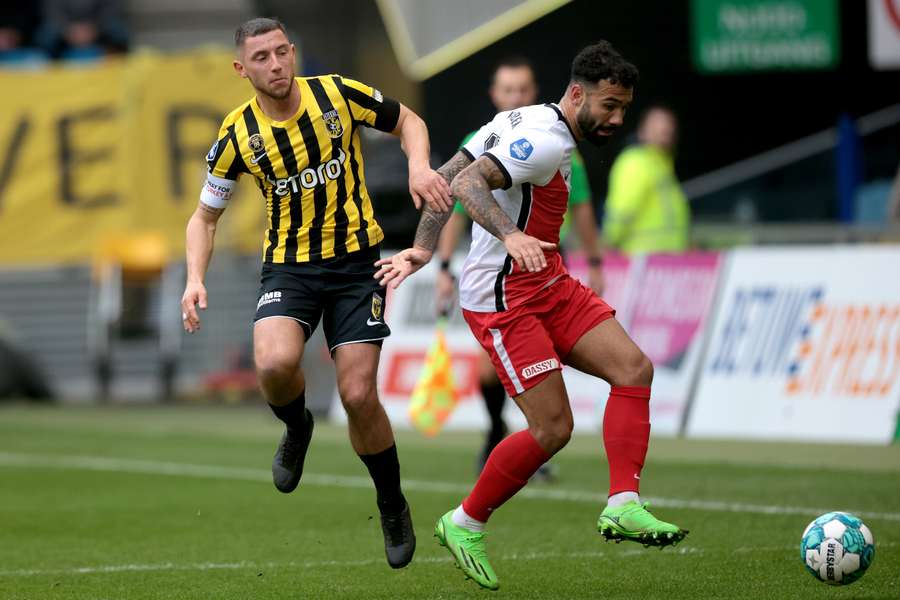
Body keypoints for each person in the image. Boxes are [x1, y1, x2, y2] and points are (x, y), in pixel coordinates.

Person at [375, 41, 687, 590]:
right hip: (504, 298)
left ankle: (623, 502)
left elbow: (448, 171)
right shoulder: (543, 142)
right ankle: (465, 522)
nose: (616, 119)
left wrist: (424, 248)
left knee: (634, 370)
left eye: (623, 109)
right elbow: (469, 183)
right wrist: (511, 233)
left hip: (548, 281)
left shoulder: (526, 121)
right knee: (553, 428)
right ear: (575, 94)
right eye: (608, 106)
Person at [180, 17, 451, 570]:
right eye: (262, 57)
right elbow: (204, 218)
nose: (276, 64)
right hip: (288, 269)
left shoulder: (337, 94)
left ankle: (391, 501)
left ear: (292, 51)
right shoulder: (237, 134)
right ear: (242, 68)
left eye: (282, 52)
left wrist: (418, 165)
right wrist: (194, 278)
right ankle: (296, 424)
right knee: (275, 363)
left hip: (355, 266)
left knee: (356, 396)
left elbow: (409, 120)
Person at [434, 56, 604, 477]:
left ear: (533, 92)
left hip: (548, 273)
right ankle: (499, 432)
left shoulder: (561, 144)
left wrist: (595, 260)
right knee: (493, 368)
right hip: (498, 281)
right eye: (507, 90)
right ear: (495, 95)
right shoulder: (481, 140)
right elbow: (456, 208)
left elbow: (582, 209)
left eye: (523, 90)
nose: (516, 97)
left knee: (540, 364)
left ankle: (531, 440)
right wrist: (442, 266)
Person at [603, 106, 689, 254]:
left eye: (668, 124)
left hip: (666, 262)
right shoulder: (635, 162)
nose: (664, 128)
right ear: (642, 132)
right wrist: (608, 244)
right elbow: (622, 211)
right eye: (657, 124)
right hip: (641, 260)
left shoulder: (662, 165)